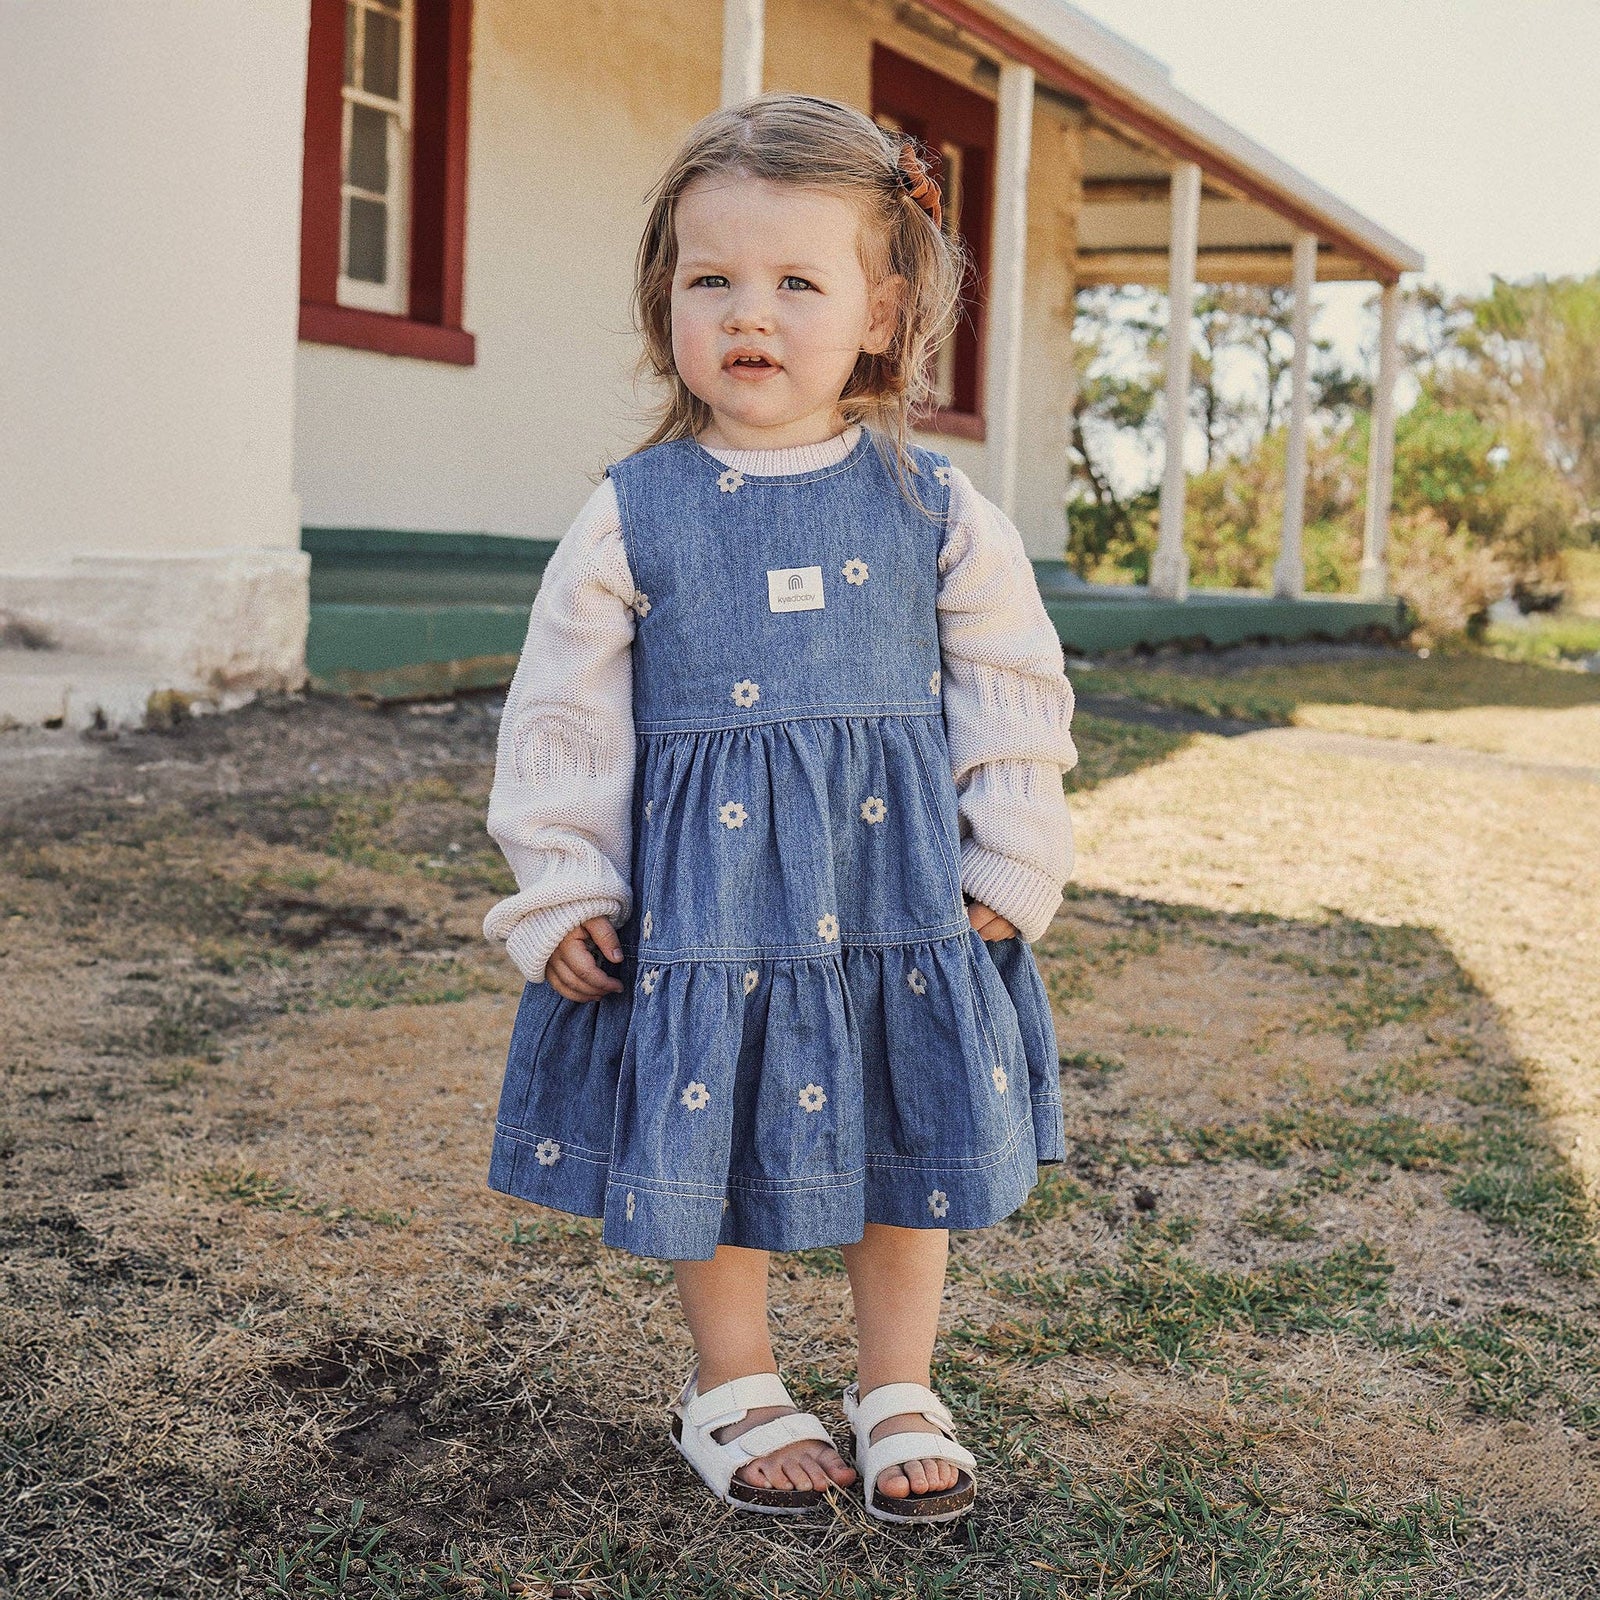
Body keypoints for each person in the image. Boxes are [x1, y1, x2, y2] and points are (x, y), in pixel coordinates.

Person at [481, 93, 1078, 1524]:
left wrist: (1014, 850)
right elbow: (559, 713)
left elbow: (1012, 685)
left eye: (797, 283)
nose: (751, 313)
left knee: (904, 1116)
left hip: (896, 894)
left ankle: (895, 1382)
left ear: (882, 310)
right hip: (714, 905)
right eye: (712, 281)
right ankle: (734, 1381)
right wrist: (560, 882)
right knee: (715, 1114)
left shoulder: (936, 508)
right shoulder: (635, 511)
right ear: (666, 302)